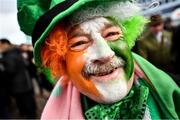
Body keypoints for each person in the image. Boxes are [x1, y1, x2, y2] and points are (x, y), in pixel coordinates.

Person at [17, 0, 180, 119]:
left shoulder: (174, 88)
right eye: (79, 43)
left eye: (112, 34)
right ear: (62, 61)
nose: (105, 54)